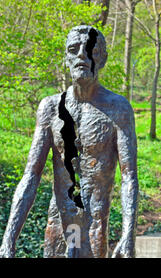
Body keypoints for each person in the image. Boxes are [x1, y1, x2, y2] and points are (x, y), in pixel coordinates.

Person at [0, 25, 138, 258]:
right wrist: (9, 238)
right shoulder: (50, 108)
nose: (82, 55)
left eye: (90, 50)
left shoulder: (118, 109)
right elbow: (31, 174)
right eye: (74, 50)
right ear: (66, 58)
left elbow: (129, 177)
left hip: (95, 221)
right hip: (59, 219)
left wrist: (128, 235)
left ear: (102, 59)